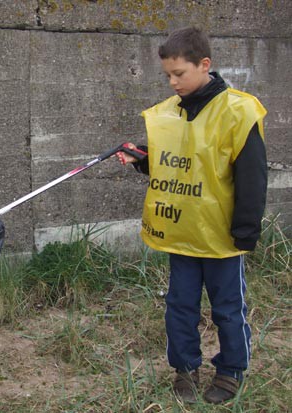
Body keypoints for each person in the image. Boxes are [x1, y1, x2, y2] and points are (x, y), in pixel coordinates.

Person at [116, 27, 267, 404]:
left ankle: (231, 371)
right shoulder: (171, 113)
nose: (172, 82)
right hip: (180, 233)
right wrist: (144, 158)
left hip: (221, 238)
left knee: (228, 309)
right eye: (167, 75)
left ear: (205, 65)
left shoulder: (238, 111)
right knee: (179, 306)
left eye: (179, 74)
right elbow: (179, 165)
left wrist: (245, 231)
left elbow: (252, 176)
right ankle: (185, 368)